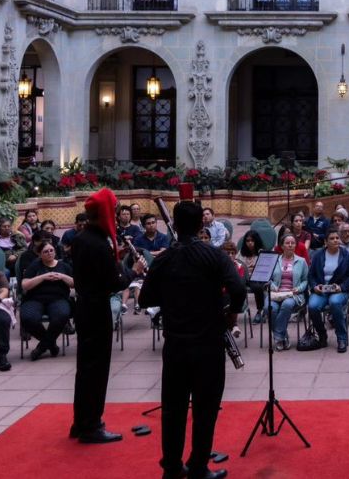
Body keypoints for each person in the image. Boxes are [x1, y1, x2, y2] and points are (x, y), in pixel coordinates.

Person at [140, 200, 245, 479]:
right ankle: (198, 466)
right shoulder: (214, 256)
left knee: (173, 410)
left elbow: (145, 298)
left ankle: (172, 468)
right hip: (209, 342)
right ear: (201, 225)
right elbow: (238, 289)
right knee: (205, 409)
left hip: (176, 343)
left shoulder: (164, 259)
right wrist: (231, 315)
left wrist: (172, 296)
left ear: (173, 225)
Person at [69, 188, 143, 444]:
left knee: (85, 368)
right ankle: (91, 425)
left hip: (84, 307)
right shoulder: (98, 243)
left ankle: (80, 421)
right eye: (113, 210)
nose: (116, 214)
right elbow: (115, 282)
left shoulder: (82, 238)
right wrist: (134, 270)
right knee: (97, 369)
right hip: (97, 308)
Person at [20, 241, 74, 361]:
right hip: (35, 299)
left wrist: (62, 276)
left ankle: (42, 347)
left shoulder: (64, 266)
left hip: (58, 298)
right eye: (45, 251)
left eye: (51, 250)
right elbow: (25, 285)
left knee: (61, 315)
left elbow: (74, 284)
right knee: (28, 318)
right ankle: (51, 345)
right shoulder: (34, 266)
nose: (49, 253)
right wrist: (43, 277)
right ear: (40, 254)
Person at [305, 229, 349, 353]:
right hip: (321, 290)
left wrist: (341, 287)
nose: (335, 240)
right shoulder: (318, 255)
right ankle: (322, 335)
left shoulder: (346, 255)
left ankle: (342, 338)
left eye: (337, 238)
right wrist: (314, 286)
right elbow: (311, 275)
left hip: (339, 290)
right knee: (312, 306)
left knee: (335, 302)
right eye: (332, 239)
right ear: (325, 242)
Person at [267, 233, 309, 351]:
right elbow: (268, 278)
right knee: (270, 308)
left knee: (287, 304)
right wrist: (273, 286)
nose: (290, 245)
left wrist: (299, 288)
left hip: (293, 294)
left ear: (295, 245)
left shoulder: (301, 261)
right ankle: (283, 336)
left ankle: (278, 337)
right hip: (276, 294)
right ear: (282, 246)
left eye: (293, 243)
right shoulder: (274, 260)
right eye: (287, 243)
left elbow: (306, 280)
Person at [238, 230, 267, 321]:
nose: (250, 243)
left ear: (256, 241)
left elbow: (265, 268)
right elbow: (238, 265)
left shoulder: (262, 252)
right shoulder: (241, 252)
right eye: (247, 241)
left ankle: (260, 311)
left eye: (252, 240)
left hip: (258, 277)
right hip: (244, 277)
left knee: (258, 287)